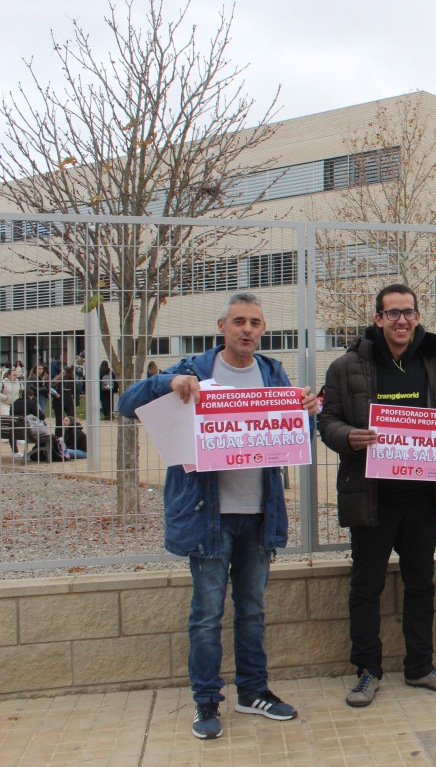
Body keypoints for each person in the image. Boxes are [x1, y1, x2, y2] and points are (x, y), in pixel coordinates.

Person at [118, 292, 318, 740]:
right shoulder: (192, 370)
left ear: (263, 330)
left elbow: (297, 437)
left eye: (256, 323)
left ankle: (253, 692)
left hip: (258, 514)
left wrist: (309, 413)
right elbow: (125, 404)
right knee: (207, 614)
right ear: (222, 326)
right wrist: (165, 385)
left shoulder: (273, 373)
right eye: (239, 321)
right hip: (209, 516)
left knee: (252, 610)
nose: (247, 329)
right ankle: (206, 702)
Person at [319, 283, 436, 707]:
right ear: (378, 319)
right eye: (392, 313)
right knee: (366, 586)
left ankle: (420, 666)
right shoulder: (346, 366)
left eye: (408, 312)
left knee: (421, 583)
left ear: (418, 316)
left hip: (423, 495)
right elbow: (326, 419)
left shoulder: (435, 360)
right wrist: (349, 436)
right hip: (372, 496)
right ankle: (367, 671)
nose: (401, 320)